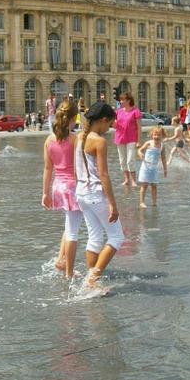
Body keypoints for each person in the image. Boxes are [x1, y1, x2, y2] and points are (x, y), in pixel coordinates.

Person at [75, 102, 124, 293]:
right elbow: (103, 174)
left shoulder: (80, 137)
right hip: (95, 193)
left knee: (94, 236)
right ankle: (92, 279)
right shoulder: (99, 141)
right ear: (103, 120)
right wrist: (113, 203)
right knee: (116, 237)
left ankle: (92, 277)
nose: (109, 128)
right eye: (110, 124)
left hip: (81, 192)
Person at [42, 99, 83, 280]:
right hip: (72, 187)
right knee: (73, 230)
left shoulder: (49, 140)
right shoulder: (75, 139)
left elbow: (47, 169)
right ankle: (69, 272)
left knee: (68, 224)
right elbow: (79, 167)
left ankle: (61, 259)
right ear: (74, 118)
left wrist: (45, 193)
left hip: (57, 186)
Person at [112, 95, 141, 187]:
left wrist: (138, 141)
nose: (121, 101)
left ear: (128, 100)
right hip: (120, 138)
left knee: (130, 160)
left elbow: (139, 128)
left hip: (131, 138)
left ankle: (133, 180)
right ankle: (126, 179)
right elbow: (115, 125)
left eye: (122, 100)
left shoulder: (135, 111)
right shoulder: (118, 112)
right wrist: (112, 122)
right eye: (120, 100)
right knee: (122, 160)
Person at [137, 127, 167, 209]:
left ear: (162, 136)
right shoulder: (149, 143)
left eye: (159, 135)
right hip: (145, 168)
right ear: (152, 135)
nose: (156, 137)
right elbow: (140, 150)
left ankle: (154, 202)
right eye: (155, 135)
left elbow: (164, 158)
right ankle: (141, 202)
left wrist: (165, 169)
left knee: (154, 186)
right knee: (144, 185)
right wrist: (140, 154)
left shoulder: (162, 146)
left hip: (154, 169)